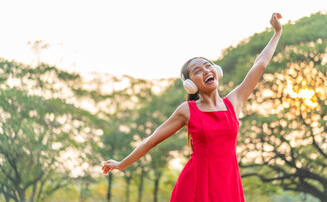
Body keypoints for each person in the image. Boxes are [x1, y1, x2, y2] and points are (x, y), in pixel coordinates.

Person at [102, 13, 283, 201]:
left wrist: (277, 32)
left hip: (228, 184)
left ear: (217, 71)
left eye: (208, 66)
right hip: (196, 186)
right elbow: (152, 140)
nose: (205, 71)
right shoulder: (187, 110)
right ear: (190, 84)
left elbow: (259, 65)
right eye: (198, 71)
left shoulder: (234, 102)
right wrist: (122, 164)